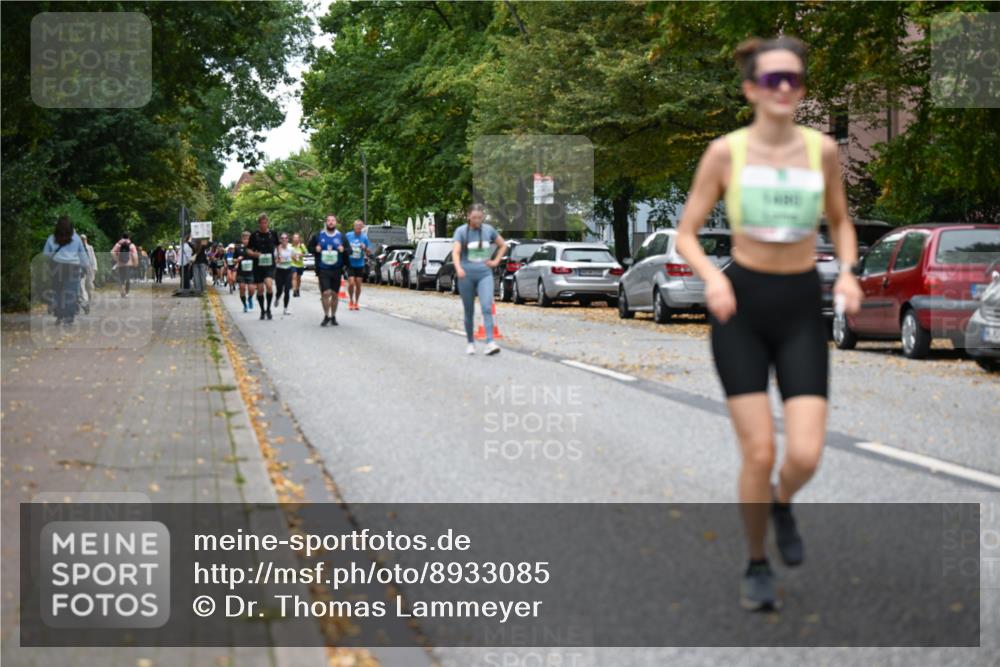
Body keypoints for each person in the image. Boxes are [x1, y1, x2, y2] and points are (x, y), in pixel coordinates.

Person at [674, 36, 864, 612]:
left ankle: (781, 500)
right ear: (752, 89)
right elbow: (686, 232)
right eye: (772, 80)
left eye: (794, 80)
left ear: (800, 89)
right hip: (742, 306)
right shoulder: (725, 153)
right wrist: (712, 276)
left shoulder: (821, 151)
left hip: (801, 306)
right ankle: (757, 562)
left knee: (804, 455)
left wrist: (850, 272)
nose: (784, 90)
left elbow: (840, 221)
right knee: (758, 452)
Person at [451, 204, 507, 355]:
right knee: (468, 311)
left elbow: (503, 246)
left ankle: (490, 342)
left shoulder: (488, 230)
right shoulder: (461, 232)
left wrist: (495, 262)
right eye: (474, 217)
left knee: (487, 307)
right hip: (466, 275)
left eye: (480, 217)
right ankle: (470, 342)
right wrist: (458, 268)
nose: (477, 220)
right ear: (468, 216)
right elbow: (455, 252)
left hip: (484, 274)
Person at [43, 216, 90, 325]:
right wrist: (86, 267)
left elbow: (46, 254)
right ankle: (69, 317)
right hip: (72, 267)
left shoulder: (52, 238)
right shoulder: (76, 238)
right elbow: (82, 255)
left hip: (56, 266)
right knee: (70, 293)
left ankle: (59, 315)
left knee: (58, 291)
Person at [308, 214, 346, 327]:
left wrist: (343, 249)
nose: (330, 222)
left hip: (337, 269)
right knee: (325, 293)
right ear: (326, 223)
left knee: (334, 294)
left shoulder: (341, 236)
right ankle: (326, 315)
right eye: (328, 220)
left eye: (333, 220)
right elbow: (309, 247)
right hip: (323, 269)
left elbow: (349, 250)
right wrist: (315, 249)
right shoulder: (319, 235)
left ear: (336, 222)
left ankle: (333, 316)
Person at [247, 213, 279, 320]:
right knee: (260, 289)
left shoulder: (273, 234)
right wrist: (254, 254)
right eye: (262, 223)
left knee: (269, 285)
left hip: (269, 264)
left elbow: (278, 246)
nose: (264, 225)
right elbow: (248, 249)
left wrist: (278, 256)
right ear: (259, 224)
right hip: (258, 265)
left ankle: (269, 309)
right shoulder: (254, 235)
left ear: (268, 223)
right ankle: (262, 310)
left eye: (265, 223)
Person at [345, 219, 371, 310]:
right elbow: (343, 246)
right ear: (354, 226)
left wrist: (365, 248)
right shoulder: (348, 235)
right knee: (351, 283)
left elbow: (369, 253)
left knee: (358, 284)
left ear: (362, 227)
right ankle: (351, 300)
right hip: (350, 263)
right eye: (357, 225)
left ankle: (356, 302)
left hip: (360, 264)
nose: (358, 227)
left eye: (360, 225)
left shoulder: (364, 237)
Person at [273, 232, 298, 316]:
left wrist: (293, 257)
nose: (284, 239)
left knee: (287, 290)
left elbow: (296, 259)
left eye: (286, 238)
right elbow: (275, 261)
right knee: (279, 290)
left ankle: (285, 309)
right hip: (279, 271)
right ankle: (277, 298)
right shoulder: (277, 249)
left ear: (288, 239)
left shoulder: (291, 248)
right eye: (282, 238)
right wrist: (279, 260)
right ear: (280, 240)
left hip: (288, 271)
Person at [232, 231, 256, 312]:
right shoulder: (238, 249)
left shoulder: (254, 248)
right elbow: (233, 260)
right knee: (242, 288)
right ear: (242, 240)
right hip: (241, 273)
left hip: (251, 272)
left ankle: (250, 298)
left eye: (248, 239)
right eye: (244, 239)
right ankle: (245, 305)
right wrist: (237, 259)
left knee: (251, 289)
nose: (246, 241)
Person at [110, 233, 138, 297]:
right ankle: (127, 292)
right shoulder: (131, 245)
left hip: (120, 264)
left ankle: (122, 292)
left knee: (121, 278)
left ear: (122, 237)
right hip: (129, 264)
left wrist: (117, 259)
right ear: (129, 237)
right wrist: (135, 262)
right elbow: (135, 255)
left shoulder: (118, 244)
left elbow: (112, 252)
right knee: (128, 278)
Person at [78, 234, 98, 314]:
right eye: (81, 239)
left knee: (89, 285)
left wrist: (94, 268)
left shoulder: (90, 247)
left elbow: (93, 257)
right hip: (81, 270)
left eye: (84, 239)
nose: (83, 240)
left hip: (89, 269)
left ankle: (89, 298)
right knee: (82, 287)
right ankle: (85, 302)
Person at [290, 232, 307, 297]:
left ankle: (297, 289)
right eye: (294, 237)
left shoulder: (302, 246)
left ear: (299, 239)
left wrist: (301, 254)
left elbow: (306, 253)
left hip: (300, 264)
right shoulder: (290, 246)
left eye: (297, 237)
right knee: (294, 277)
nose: (296, 239)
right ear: (292, 239)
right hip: (293, 264)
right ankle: (294, 290)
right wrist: (292, 256)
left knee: (298, 278)